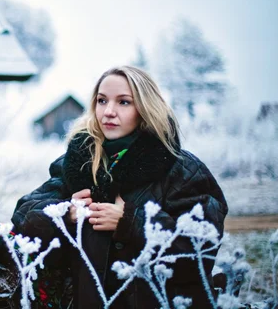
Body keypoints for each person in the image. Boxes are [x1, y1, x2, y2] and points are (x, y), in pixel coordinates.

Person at [12, 65, 228, 308]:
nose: (109, 112)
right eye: (102, 101)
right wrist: (65, 213)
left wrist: (130, 222)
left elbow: (201, 251)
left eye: (124, 102)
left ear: (146, 108)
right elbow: (24, 215)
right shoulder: (79, 162)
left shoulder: (182, 170)